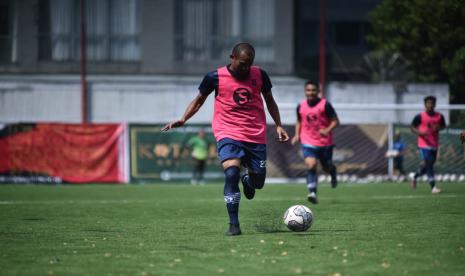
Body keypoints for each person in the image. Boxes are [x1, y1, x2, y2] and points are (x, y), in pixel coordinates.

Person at [162, 43, 289, 236]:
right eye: (242, 63)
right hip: (227, 131)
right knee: (231, 174)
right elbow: (198, 101)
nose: (246, 68)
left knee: (258, 182)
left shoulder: (260, 75)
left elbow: (270, 100)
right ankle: (234, 224)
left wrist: (279, 124)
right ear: (232, 58)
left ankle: (248, 179)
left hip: (255, 133)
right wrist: (183, 118)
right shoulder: (214, 77)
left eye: (249, 64)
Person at [291, 80, 339, 204]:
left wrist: (327, 130)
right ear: (305, 91)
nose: (310, 93)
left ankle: (332, 171)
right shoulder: (300, 106)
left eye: (313, 90)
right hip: (307, 141)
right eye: (308, 90)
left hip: (325, 143)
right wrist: (296, 135)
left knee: (326, 167)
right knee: (311, 165)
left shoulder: (325, 105)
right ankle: (312, 192)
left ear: (318, 91)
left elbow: (336, 121)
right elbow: (299, 121)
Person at [410, 95, 446, 194]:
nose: (430, 105)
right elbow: (412, 127)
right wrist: (420, 133)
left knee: (428, 166)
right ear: (425, 104)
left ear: (435, 104)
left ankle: (415, 176)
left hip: (434, 144)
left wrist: (439, 128)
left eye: (432, 103)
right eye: (428, 103)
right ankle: (433, 187)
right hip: (423, 144)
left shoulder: (439, 116)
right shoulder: (420, 116)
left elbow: (443, 126)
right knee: (429, 164)